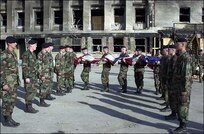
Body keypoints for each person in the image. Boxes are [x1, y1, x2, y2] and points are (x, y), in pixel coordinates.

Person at [171, 38, 193, 133]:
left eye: (177, 43)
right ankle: (181, 124)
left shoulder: (186, 58)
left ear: (183, 44)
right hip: (178, 86)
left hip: (183, 88)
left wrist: (184, 90)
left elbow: (186, 75)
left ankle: (183, 126)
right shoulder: (179, 57)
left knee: (183, 107)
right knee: (179, 106)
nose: (176, 45)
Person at [1, 36, 20, 127]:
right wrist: (3, 83)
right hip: (7, 82)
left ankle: (10, 118)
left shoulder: (14, 54)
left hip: (14, 82)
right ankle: (6, 120)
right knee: (6, 101)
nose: (16, 44)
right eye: (14, 42)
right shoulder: (4, 54)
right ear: (9, 43)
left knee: (12, 101)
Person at [22, 39, 39, 113]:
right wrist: (26, 77)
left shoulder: (33, 54)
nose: (36, 46)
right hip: (29, 76)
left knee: (33, 91)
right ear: (31, 45)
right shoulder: (26, 54)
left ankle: (30, 106)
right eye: (35, 45)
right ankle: (28, 107)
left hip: (34, 76)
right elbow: (24, 66)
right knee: (29, 92)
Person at [164, 44, 178, 120]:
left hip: (173, 82)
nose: (168, 50)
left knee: (173, 98)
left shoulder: (175, 59)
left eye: (169, 49)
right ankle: (173, 113)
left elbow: (175, 72)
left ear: (173, 50)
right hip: (170, 81)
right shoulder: (171, 58)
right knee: (171, 98)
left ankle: (174, 114)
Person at [37, 43, 51, 107]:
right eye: (48, 48)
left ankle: (44, 98)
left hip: (47, 73)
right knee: (42, 87)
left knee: (46, 87)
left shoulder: (47, 54)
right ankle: (41, 102)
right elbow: (39, 66)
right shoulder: (40, 55)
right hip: (43, 74)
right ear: (45, 48)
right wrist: (41, 75)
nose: (49, 49)